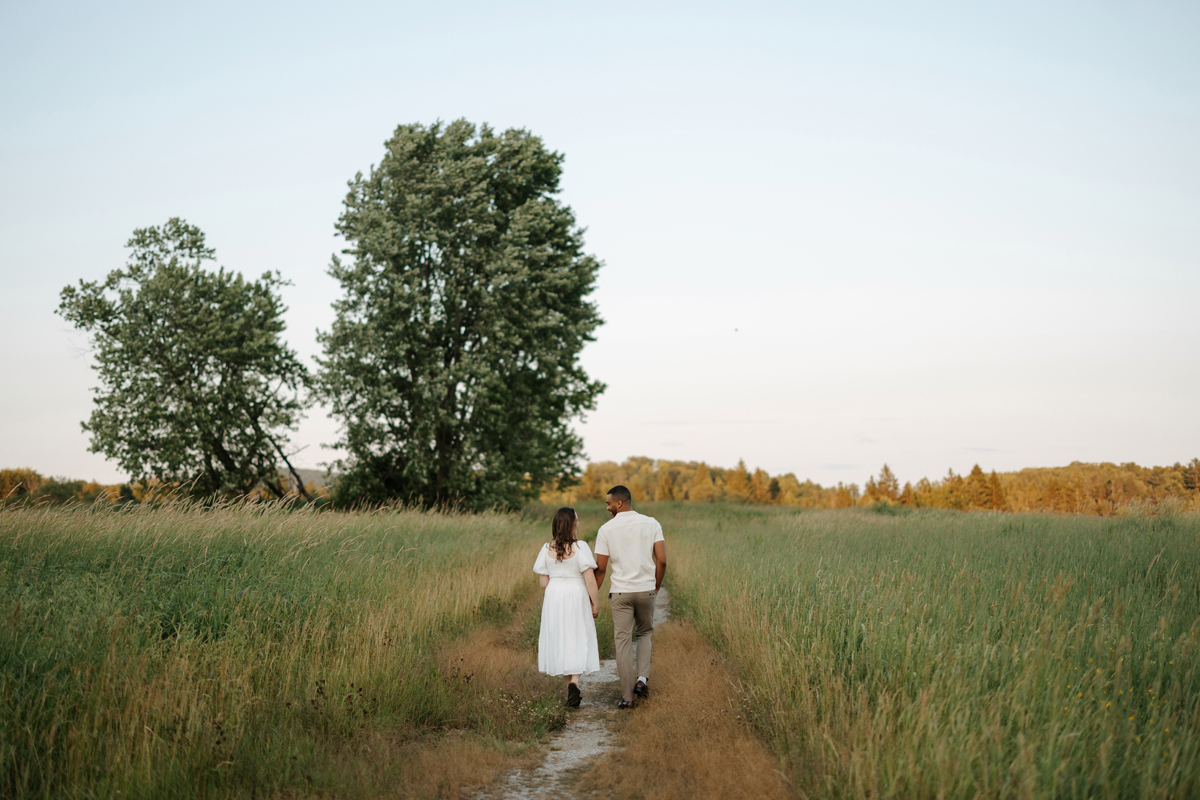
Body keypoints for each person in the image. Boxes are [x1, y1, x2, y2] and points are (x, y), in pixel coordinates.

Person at [593, 485, 666, 709]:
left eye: (608, 503)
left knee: (622, 642)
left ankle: (627, 698)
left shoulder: (606, 529)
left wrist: (592, 596)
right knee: (644, 633)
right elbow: (662, 561)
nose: (607, 508)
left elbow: (601, 569)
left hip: (621, 592)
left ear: (619, 503)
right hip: (646, 590)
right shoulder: (652, 523)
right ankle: (642, 680)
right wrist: (655, 587)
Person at [533, 506, 601, 707]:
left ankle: (570, 687)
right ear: (571, 525)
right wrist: (595, 604)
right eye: (576, 520)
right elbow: (590, 580)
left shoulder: (546, 549)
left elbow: (543, 583)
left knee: (559, 638)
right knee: (577, 637)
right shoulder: (581, 547)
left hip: (554, 596)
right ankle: (575, 682)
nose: (578, 523)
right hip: (575, 594)